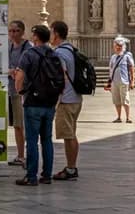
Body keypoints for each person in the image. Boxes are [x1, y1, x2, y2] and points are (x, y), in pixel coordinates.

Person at [14, 24, 57, 186]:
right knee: (47, 139)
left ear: (36, 37)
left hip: (33, 101)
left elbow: (19, 77)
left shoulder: (29, 54)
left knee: (32, 140)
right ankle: (47, 175)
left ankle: (31, 176)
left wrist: (20, 91)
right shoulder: (54, 54)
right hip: (50, 103)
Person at [50, 20, 81, 181]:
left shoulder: (59, 53)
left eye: (51, 31)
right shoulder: (72, 49)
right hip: (76, 98)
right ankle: (71, 166)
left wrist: (56, 100)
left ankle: (71, 168)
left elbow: (61, 77)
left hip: (66, 99)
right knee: (72, 134)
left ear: (55, 33)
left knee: (68, 136)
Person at [7, 20, 32, 167]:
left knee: (23, 124)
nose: (12, 34)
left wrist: (17, 72)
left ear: (22, 32)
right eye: (10, 31)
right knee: (16, 125)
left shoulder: (28, 48)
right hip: (11, 89)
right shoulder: (9, 47)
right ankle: (20, 154)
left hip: (23, 91)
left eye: (15, 31)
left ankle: (25, 155)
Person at [106, 39, 135, 123]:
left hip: (124, 81)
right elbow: (111, 70)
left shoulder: (127, 56)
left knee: (125, 100)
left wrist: (133, 81)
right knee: (116, 100)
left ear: (123, 47)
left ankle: (128, 117)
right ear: (114, 47)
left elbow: (132, 69)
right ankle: (119, 117)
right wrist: (109, 82)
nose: (118, 47)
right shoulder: (113, 57)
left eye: (120, 46)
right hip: (114, 82)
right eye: (116, 46)